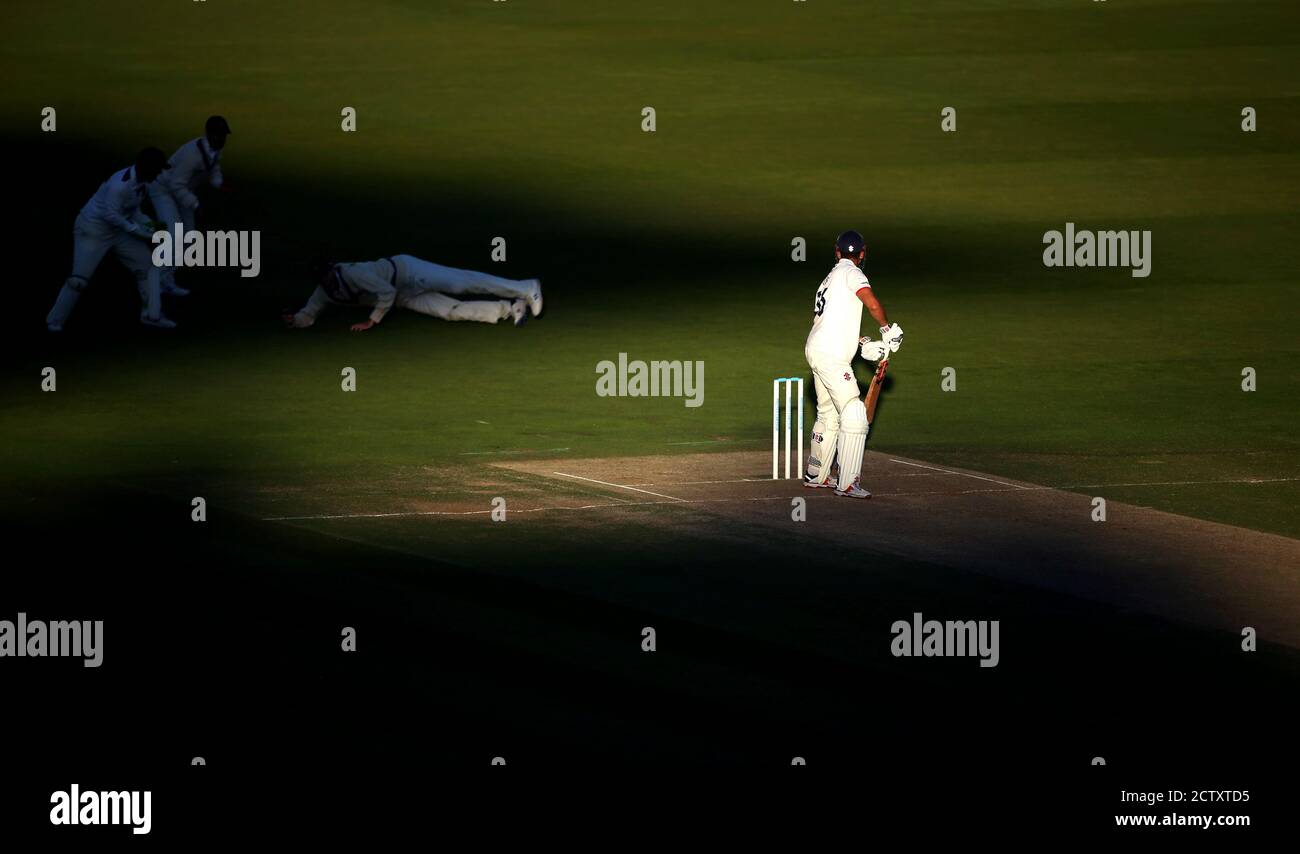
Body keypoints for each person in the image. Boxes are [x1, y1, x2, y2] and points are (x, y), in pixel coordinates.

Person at [803, 230, 903, 498]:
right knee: (854, 413)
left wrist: (862, 343)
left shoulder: (828, 280)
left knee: (828, 413)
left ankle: (817, 474)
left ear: (836, 252)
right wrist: (887, 329)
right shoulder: (853, 274)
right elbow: (871, 302)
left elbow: (831, 322)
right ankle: (847, 483)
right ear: (862, 253)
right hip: (832, 355)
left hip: (816, 348)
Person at [46, 147, 176, 331]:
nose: (159, 173)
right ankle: (54, 322)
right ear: (146, 168)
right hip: (93, 229)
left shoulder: (144, 183)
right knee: (78, 281)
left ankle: (151, 316)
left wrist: (150, 224)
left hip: (117, 230)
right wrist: (140, 232)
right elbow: (111, 215)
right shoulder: (119, 186)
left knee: (147, 267)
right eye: (157, 169)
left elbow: (133, 211)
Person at [282, 255, 543, 331]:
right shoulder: (325, 292)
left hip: (406, 272)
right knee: (449, 312)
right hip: (403, 298)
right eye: (323, 278)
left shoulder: (351, 273)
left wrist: (372, 321)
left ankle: (526, 287)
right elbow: (310, 313)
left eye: (328, 273)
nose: (328, 279)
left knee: (460, 284)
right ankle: (510, 308)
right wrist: (296, 320)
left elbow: (385, 292)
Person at [148, 115, 232, 296]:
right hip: (163, 190)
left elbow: (214, 168)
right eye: (218, 135)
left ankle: (166, 281)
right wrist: (195, 205)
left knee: (188, 239)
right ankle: (154, 282)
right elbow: (175, 184)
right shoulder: (192, 154)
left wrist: (219, 183)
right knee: (175, 235)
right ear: (208, 135)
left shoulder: (213, 149)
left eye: (223, 135)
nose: (221, 139)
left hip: (181, 192)